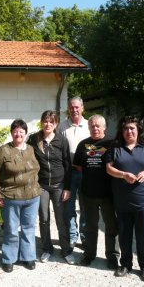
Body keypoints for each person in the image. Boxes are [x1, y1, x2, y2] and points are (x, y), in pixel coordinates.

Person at [106, 116, 144, 282]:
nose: (129, 131)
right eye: (125, 128)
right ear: (121, 131)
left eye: (132, 128)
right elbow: (109, 168)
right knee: (124, 234)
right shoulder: (115, 147)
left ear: (138, 131)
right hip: (122, 200)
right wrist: (123, 175)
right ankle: (125, 264)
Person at [0, 119, 41, 273]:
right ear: (11, 132)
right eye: (15, 130)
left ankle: (28, 257)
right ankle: (9, 259)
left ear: (25, 133)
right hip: (11, 197)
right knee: (11, 229)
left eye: (21, 131)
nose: (18, 133)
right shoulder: (3, 150)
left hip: (32, 196)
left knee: (29, 228)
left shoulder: (31, 149)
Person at [27, 110, 75, 265]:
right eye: (45, 121)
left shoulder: (62, 140)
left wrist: (67, 187)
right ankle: (47, 249)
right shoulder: (34, 139)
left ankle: (66, 250)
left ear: (56, 124)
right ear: (41, 122)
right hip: (41, 186)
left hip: (59, 185)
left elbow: (68, 165)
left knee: (61, 219)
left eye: (51, 121)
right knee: (44, 219)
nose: (48, 124)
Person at [73, 115, 120, 269]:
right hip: (88, 194)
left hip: (108, 195)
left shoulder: (113, 144)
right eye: (92, 125)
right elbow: (79, 167)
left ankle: (112, 256)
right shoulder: (83, 145)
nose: (95, 128)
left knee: (111, 227)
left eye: (98, 125)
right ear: (89, 127)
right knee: (90, 227)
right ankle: (89, 255)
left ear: (104, 127)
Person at [58, 96, 90, 248]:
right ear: (68, 109)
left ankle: (84, 237)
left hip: (85, 173)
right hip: (68, 172)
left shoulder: (90, 125)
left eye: (77, 107)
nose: (74, 109)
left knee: (84, 206)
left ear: (82, 108)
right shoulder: (62, 126)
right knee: (69, 206)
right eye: (71, 107)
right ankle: (72, 237)